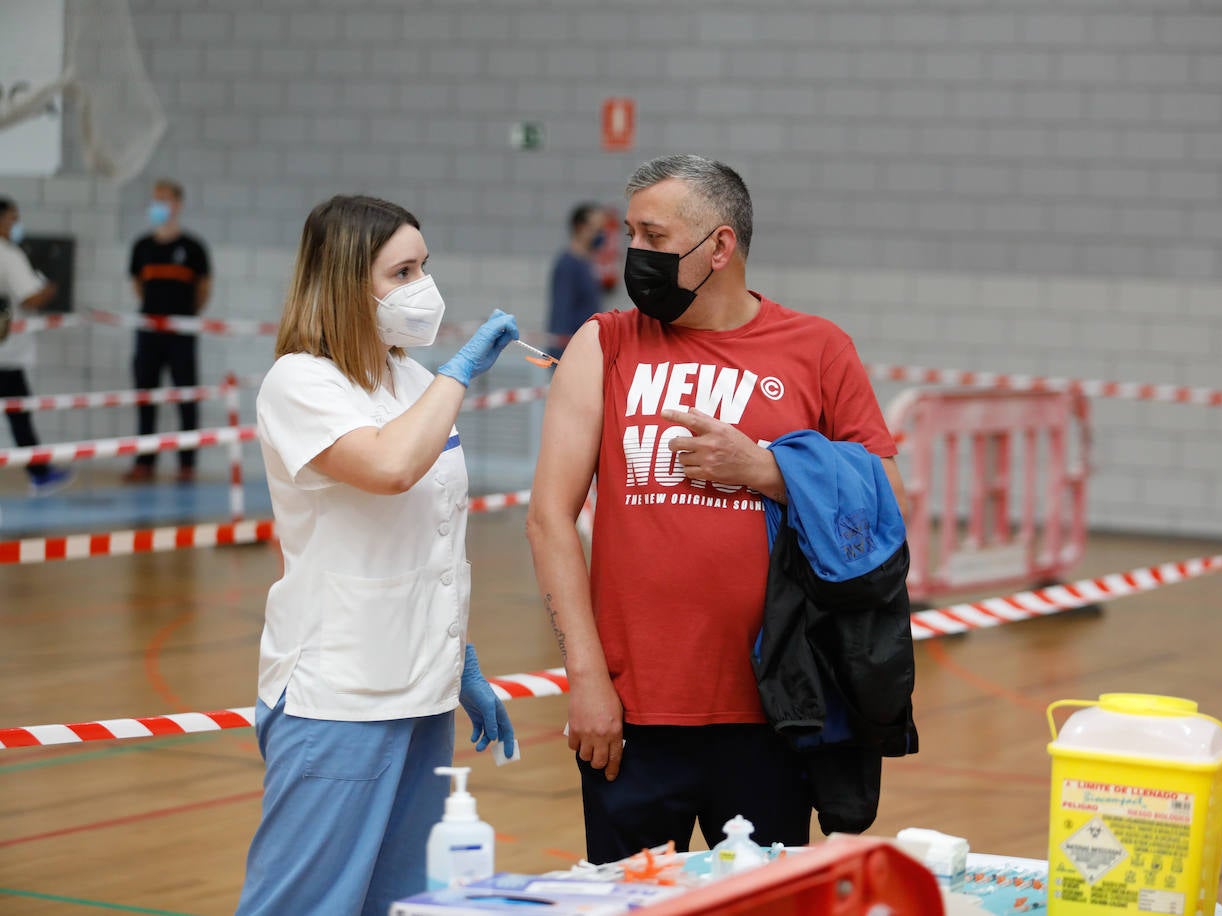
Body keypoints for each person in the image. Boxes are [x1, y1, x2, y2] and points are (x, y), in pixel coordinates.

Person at [525, 155, 908, 864]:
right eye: (629, 233)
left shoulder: (817, 348)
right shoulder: (604, 343)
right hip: (631, 714)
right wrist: (585, 680)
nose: (634, 253)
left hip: (773, 713)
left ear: (720, 247)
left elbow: (887, 500)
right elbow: (549, 518)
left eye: (653, 236)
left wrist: (766, 469)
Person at [236, 195, 520, 916]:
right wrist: (459, 375)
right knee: (306, 904)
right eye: (402, 271)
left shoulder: (416, 384)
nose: (423, 285)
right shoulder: (301, 382)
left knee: (396, 903)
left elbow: (429, 536)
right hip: (340, 694)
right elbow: (389, 468)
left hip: (421, 690)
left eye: (425, 265)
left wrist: (460, 659)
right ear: (345, 282)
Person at [123, 178, 213, 483]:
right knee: (146, 396)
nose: (159, 205)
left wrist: (183, 316)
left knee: (186, 397)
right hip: (148, 334)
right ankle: (144, 462)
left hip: (181, 335)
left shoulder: (193, 248)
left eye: (164, 199)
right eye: (155, 199)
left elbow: (203, 290)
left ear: (177, 203)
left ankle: (187, 464)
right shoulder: (142, 247)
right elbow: (138, 286)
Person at [0, 197, 72, 496]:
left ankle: (40, 471)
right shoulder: (7, 255)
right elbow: (30, 299)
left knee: (20, 413)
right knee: (20, 412)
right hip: (6, 356)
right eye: (12, 218)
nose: (17, 224)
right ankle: (40, 473)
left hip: (8, 353)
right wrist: (52, 289)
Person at [545, 202, 606, 358]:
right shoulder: (567, 264)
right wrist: (560, 355)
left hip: (588, 347)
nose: (600, 235)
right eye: (596, 229)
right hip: (571, 351)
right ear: (580, 227)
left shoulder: (588, 263)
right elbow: (561, 311)